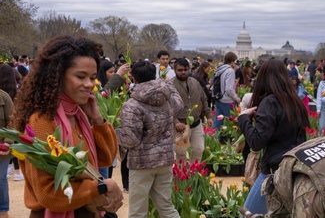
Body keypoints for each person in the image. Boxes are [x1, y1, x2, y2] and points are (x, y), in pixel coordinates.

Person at [10, 36, 123, 217]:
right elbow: (48, 193)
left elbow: (106, 158)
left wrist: (98, 120)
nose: (89, 84)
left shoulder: (78, 114)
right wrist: (100, 186)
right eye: (81, 76)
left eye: (93, 77)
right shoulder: (41, 120)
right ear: (57, 76)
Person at [238, 59, 309, 215]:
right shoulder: (294, 101)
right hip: (294, 169)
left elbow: (256, 142)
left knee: (247, 213)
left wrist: (243, 119)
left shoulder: (270, 102)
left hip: (273, 172)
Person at [116, 60, 183, 218]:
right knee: (166, 206)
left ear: (134, 79)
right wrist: (167, 84)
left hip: (142, 163)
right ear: (154, 76)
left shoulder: (132, 105)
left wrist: (115, 132)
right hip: (165, 159)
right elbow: (179, 105)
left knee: (138, 211)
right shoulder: (167, 98)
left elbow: (131, 140)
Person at [171, 58, 213, 162]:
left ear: (189, 69)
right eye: (180, 70)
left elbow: (203, 100)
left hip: (196, 122)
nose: (183, 72)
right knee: (181, 152)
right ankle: (182, 176)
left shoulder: (195, 83)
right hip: (180, 125)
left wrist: (209, 116)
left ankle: (194, 173)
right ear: (175, 70)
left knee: (199, 149)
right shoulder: (170, 85)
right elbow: (167, 106)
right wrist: (175, 122)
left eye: (185, 70)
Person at [213, 52, 240, 130]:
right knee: (231, 124)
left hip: (219, 98)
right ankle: (229, 140)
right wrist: (236, 98)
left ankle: (215, 139)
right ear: (232, 61)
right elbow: (229, 89)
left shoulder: (219, 69)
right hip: (227, 100)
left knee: (218, 123)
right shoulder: (230, 71)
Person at [0, 76, 14, 218]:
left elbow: (12, 122)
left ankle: (3, 209)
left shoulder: (4, 98)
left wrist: (8, 143)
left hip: (1, 150)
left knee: (0, 179)